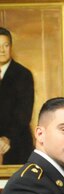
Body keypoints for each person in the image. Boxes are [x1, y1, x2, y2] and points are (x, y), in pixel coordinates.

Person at [0, 27, 35, 165]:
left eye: (5, 45)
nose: (1, 50)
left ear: (11, 47)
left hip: (17, 143)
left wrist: (8, 138)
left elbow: (23, 113)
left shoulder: (23, 75)